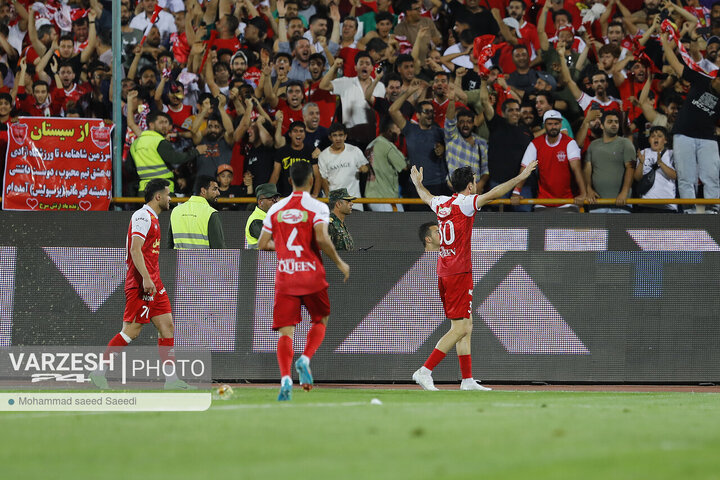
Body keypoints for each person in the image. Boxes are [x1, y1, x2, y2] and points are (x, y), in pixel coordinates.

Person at [410, 162, 536, 391]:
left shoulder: (441, 202)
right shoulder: (466, 203)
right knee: (459, 329)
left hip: (446, 269)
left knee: (466, 326)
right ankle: (425, 370)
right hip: (458, 272)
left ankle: (467, 380)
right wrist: (521, 176)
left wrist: (417, 183)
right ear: (470, 186)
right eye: (475, 182)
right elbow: (495, 193)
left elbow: (425, 196)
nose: (476, 185)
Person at [257, 161, 350, 401]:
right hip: (311, 275)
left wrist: (284, 251)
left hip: (286, 276)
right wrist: (339, 262)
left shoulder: (275, 209)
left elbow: (261, 244)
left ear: (289, 181)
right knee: (321, 319)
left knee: (285, 332)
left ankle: (285, 379)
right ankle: (306, 358)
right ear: (311, 181)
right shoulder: (317, 207)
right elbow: (322, 238)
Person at [89, 179, 192, 390]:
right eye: (168, 194)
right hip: (141, 283)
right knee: (131, 331)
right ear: (158, 197)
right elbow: (135, 250)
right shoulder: (142, 216)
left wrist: (152, 279)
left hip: (154, 283)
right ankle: (99, 371)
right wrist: (145, 278)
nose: (170, 198)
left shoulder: (153, 218)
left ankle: (171, 380)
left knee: (167, 326)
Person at [661, 32, 720, 213]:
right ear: (716, 76)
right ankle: (689, 210)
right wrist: (664, 42)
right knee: (686, 177)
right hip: (684, 133)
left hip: (707, 137)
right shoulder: (702, 78)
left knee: (711, 176)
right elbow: (677, 65)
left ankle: (714, 209)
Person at [512, 110, 587, 212]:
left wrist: (583, 194)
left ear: (560, 125)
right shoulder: (535, 143)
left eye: (556, 124)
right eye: (550, 124)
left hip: (567, 201)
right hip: (543, 201)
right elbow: (525, 168)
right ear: (544, 125)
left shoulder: (570, 143)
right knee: (538, 227)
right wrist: (516, 192)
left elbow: (576, 169)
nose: (553, 127)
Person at [129, 110, 208, 194]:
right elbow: (175, 159)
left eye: (166, 122)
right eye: (161, 122)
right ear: (151, 125)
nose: (165, 126)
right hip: (163, 189)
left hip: (144, 189)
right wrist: (196, 151)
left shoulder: (135, 143)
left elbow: (129, 167)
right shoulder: (159, 141)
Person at [584, 110, 636, 213]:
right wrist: (588, 189)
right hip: (597, 203)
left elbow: (631, 168)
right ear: (602, 126)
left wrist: (624, 192)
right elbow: (587, 169)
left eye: (616, 122)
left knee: (619, 230)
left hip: (621, 203)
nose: (614, 124)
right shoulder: (593, 145)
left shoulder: (626, 143)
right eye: (610, 121)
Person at [318, 123, 369, 209]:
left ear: (345, 136)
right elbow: (323, 180)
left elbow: (366, 166)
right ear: (330, 137)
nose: (338, 138)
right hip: (335, 205)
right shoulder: (323, 155)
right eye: (335, 135)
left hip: (354, 204)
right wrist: (329, 201)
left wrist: (365, 168)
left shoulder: (355, 151)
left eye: (341, 135)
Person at [168, 176, 226, 249]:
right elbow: (219, 250)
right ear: (203, 191)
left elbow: (169, 248)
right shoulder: (211, 213)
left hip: (180, 260)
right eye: (215, 189)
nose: (218, 193)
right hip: (204, 260)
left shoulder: (176, 211)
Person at [364, 117, 408, 212]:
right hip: (385, 197)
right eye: (397, 130)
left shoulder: (370, 144)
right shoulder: (387, 145)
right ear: (389, 131)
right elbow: (404, 166)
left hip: (371, 195)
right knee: (398, 225)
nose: (399, 133)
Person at [634, 126, 678, 213]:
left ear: (665, 140)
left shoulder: (671, 153)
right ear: (649, 140)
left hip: (667, 205)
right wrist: (641, 163)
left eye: (659, 136)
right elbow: (637, 178)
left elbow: (675, 176)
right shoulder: (643, 153)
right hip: (646, 204)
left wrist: (661, 163)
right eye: (653, 136)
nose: (656, 138)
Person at [245, 183, 281, 248]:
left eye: (276, 198)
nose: (275, 201)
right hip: (257, 257)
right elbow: (275, 240)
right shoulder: (255, 221)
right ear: (260, 202)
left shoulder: (274, 216)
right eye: (270, 199)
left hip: (272, 257)